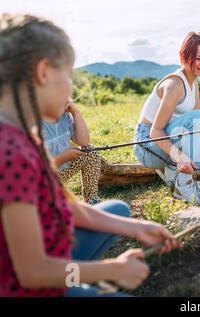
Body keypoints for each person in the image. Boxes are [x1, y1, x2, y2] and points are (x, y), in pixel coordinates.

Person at [0, 13, 180, 297]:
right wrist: (111, 270)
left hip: (50, 257)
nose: (71, 87)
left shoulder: (24, 137)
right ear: (43, 72)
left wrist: (138, 227)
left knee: (119, 211)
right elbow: (33, 273)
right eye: (69, 75)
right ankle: (79, 280)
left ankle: (77, 276)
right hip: (32, 286)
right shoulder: (13, 154)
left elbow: (67, 207)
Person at [134, 32, 200, 205]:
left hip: (165, 139)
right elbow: (156, 132)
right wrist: (180, 157)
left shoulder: (193, 82)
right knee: (197, 117)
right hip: (147, 144)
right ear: (184, 56)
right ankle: (183, 186)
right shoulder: (175, 85)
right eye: (198, 58)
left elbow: (199, 123)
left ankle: (172, 171)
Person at [42, 99, 103, 205]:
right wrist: (63, 157)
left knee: (90, 152)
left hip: (63, 171)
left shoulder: (64, 116)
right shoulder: (34, 123)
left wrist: (76, 113)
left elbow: (83, 141)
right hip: (44, 177)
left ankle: (91, 199)